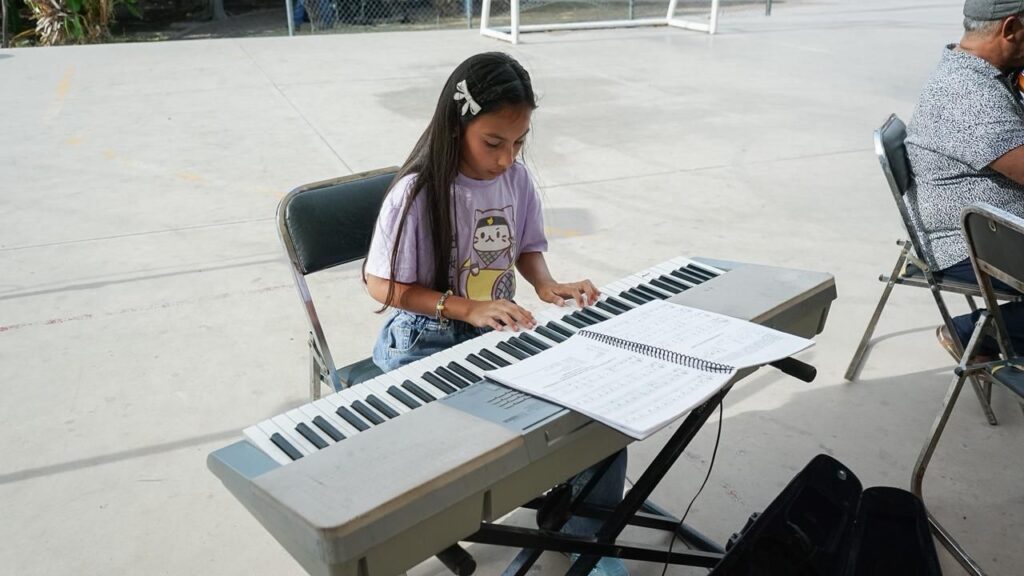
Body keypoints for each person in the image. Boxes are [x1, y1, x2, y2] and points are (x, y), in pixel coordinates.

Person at [362, 52, 629, 576]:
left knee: (597, 411)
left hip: (495, 331)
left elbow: (526, 247)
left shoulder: (517, 180)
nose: (508, 158)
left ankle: (586, 536)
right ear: (456, 124)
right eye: (493, 142)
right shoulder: (416, 194)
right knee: (490, 442)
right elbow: (382, 285)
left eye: (519, 142)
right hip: (427, 338)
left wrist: (548, 285)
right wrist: (468, 307)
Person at [905, 0, 1024, 360]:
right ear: (1010, 29)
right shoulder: (969, 96)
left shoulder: (977, 72)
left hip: (996, 231)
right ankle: (976, 335)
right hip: (976, 245)